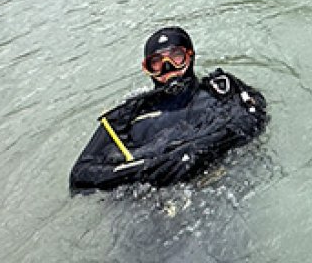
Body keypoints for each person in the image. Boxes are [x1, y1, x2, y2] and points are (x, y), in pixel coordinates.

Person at [69, 27, 268, 193]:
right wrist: (146, 169)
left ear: (190, 57)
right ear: (147, 69)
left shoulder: (221, 89)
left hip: (218, 191)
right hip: (149, 209)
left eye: (176, 57)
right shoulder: (128, 115)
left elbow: (254, 117)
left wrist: (195, 151)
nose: (167, 67)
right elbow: (80, 176)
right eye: (156, 62)